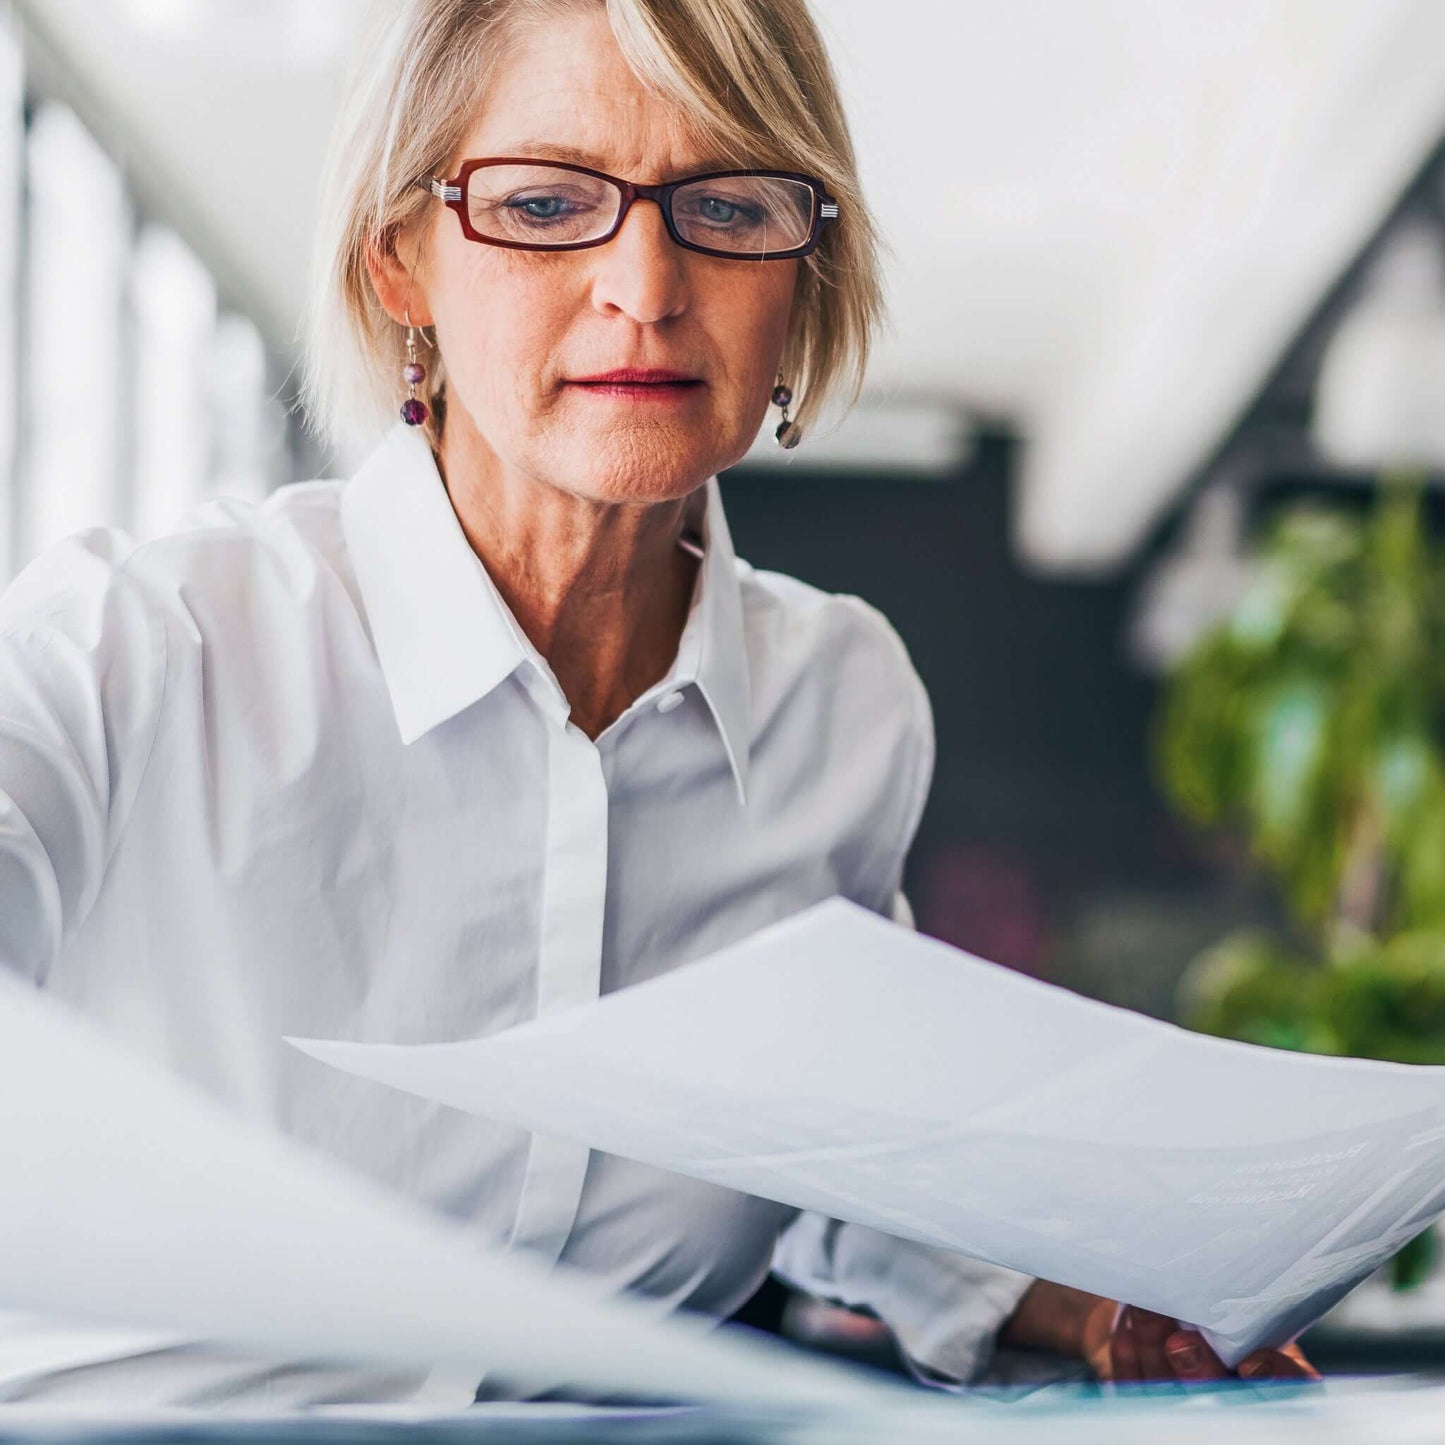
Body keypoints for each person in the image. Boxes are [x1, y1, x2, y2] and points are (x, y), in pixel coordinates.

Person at [0, 0, 1315, 1407]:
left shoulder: (837, 706)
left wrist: (1076, 1293)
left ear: (805, 269)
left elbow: (806, 1133)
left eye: (730, 205)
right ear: (402, 262)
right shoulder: (138, 647)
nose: (644, 282)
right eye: (547, 201)